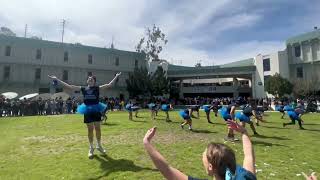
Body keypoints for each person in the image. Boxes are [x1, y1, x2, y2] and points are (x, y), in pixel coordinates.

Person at [143, 120, 256, 180]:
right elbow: (248, 155)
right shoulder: (245, 177)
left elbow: (167, 170)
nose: (202, 155)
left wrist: (147, 143)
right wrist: (244, 132)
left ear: (211, 167)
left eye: (204, 155)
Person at [48, 72, 121, 159]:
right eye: (89, 79)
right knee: (90, 130)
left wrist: (116, 76)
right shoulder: (83, 88)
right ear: (87, 81)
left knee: (98, 129)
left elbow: (109, 84)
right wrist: (57, 79)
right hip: (87, 110)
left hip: (96, 109)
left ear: (94, 81)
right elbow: (69, 86)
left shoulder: (98, 88)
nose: (90, 80)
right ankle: (91, 148)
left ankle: (99, 145)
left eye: (92, 79)